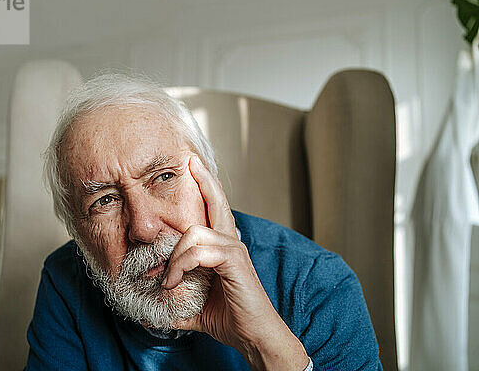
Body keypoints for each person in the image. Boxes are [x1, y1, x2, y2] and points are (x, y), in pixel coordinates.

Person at [25, 74, 382, 370]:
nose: (144, 228)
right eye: (105, 200)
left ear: (209, 179)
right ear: (78, 234)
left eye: (163, 177)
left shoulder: (319, 283)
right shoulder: (64, 281)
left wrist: (265, 343)